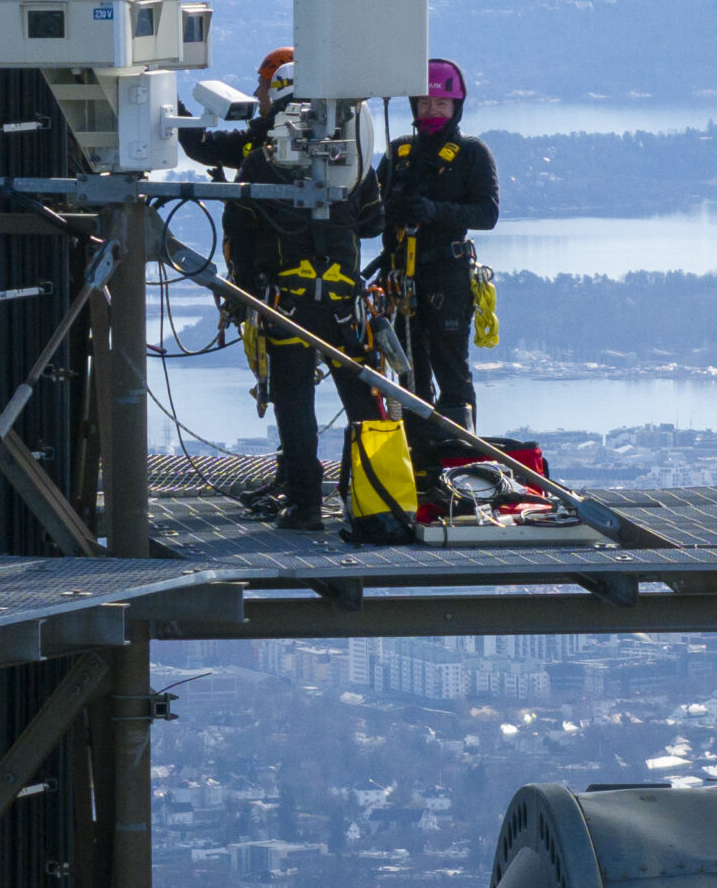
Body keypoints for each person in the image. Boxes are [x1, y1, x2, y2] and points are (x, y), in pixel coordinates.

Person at [182, 48, 384, 531]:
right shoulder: (354, 163)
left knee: (295, 405)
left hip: (286, 305)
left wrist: (242, 292)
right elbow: (374, 222)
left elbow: (242, 235)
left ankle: (305, 505)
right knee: (363, 403)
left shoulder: (261, 162)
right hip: (343, 307)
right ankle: (378, 501)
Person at [377, 58, 499, 473]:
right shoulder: (399, 154)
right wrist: (391, 210)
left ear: (456, 108)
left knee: (451, 369)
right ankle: (419, 460)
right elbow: (370, 211)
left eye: (441, 104)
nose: (432, 111)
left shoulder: (471, 153)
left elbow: (487, 213)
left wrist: (436, 211)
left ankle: (464, 462)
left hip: (445, 273)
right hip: (400, 277)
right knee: (410, 373)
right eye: (425, 102)